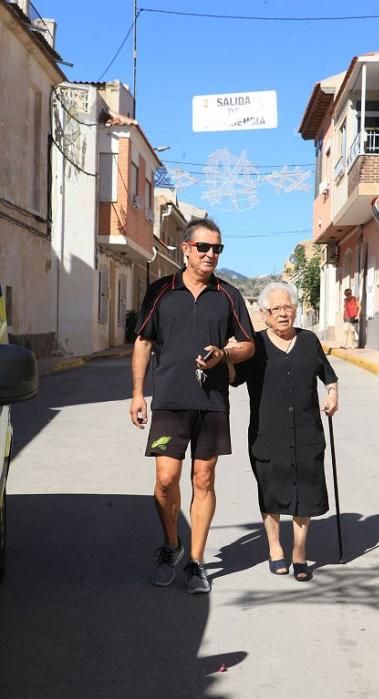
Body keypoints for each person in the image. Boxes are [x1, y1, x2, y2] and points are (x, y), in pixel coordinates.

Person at [130, 218, 255, 594]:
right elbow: (143, 342)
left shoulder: (229, 295)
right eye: (204, 248)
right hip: (169, 400)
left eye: (217, 249)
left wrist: (224, 352)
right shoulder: (160, 292)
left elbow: (248, 345)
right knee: (165, 480)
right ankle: (172, 545)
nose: (211, 255)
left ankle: (196, 562)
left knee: (204, 479)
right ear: (186, 249)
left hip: (212, 401)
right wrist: (138, 393)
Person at [230, 282, 338, 582]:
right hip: (268, 434)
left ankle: (299, 553)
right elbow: (234, 378)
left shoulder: (308, 341)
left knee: (305, 493)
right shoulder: (256, 345)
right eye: (275, 309)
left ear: (295, 310)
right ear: (264, 314)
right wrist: (226, 355)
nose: (282, 314)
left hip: (306, 432)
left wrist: (332, 395)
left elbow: (328, 376)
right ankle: (275, 548)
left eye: (287, 307)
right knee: (271, 491)